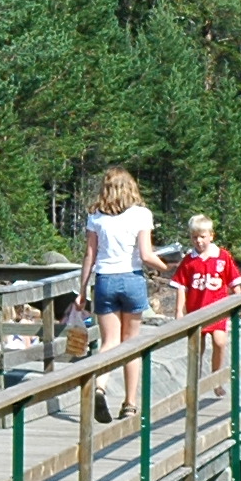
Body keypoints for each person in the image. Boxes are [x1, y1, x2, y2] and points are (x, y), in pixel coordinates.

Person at [83, 168, 170, 417]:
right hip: (131, 279)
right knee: (131, 343)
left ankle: (100, 385)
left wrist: (81, 290)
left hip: (105, 280)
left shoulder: (96, 217)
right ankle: (130, 404)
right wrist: (170, 269)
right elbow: (146, 255)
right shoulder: (141, 215)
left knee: (109, 341)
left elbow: (90, 255)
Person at [172, 212, 241, 377]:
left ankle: (216, 376)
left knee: (220, 342)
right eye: (194, 237)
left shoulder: (222, 257)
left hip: (218, 309)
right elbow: (181, 286)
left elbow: (233, 280)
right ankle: (195, 379)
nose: (198, 241)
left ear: (211, 236)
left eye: (202, 237)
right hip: (196, 310)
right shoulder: (189, 261)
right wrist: (178, 311)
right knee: (197, 347)